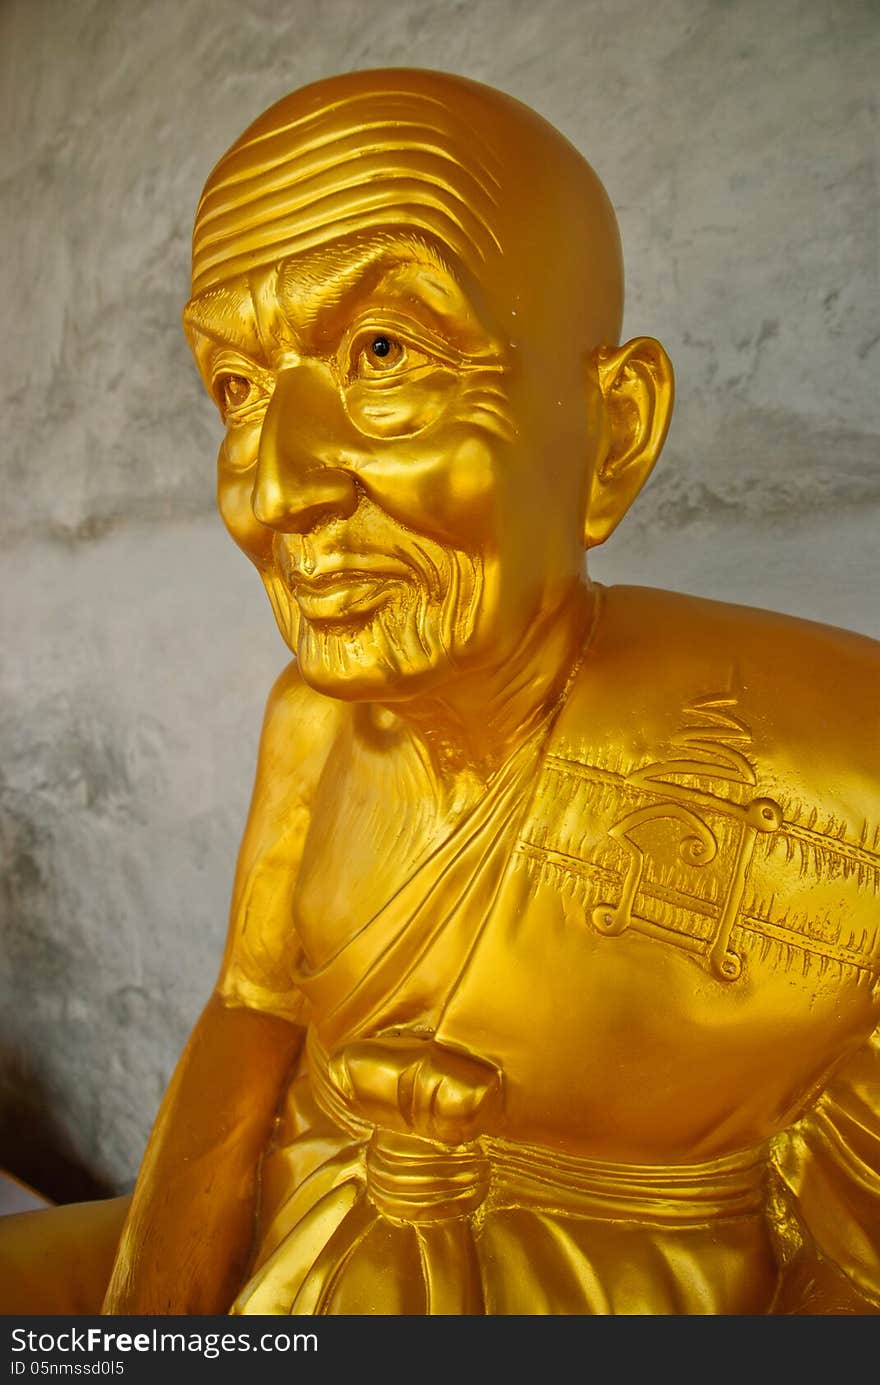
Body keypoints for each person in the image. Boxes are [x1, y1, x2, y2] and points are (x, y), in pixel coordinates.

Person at [4, 68, 879, 1315]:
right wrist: (154, 1316)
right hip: (296, 1251)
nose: (273, 492)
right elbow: (252, 1011)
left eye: (381, 352)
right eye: (238, 389)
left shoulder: (843, 768)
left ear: (611, 432)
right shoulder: (310, 726)